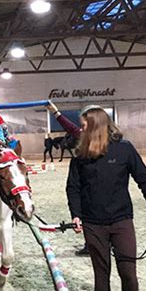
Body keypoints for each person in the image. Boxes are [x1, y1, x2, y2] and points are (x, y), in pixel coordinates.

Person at [66, 107, 146, 291]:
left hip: (121, 221)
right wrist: (76, 214)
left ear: (96, 125)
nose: (81, 129)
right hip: (93, 223)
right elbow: (73, 188)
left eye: (85, 125)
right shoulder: (80, 155)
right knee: (102, 274)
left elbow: (145, 179)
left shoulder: (124, 149)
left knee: (129, 274)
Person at [47, 101, 89, 256]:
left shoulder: (86, 136)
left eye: (84, 124)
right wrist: (56, 113)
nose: (81, 127)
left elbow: (71, 128)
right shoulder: (83, 135)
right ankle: (92, 243)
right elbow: (70, 127)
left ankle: (94, 244)